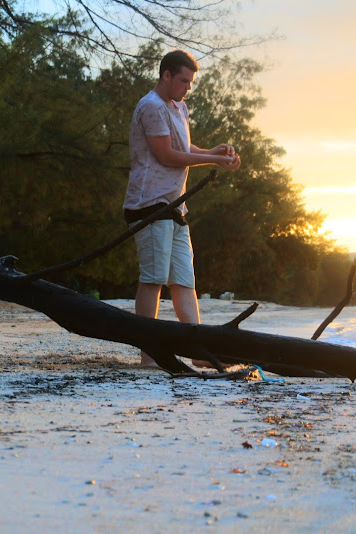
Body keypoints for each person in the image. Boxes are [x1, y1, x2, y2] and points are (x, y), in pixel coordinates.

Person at [123, 49, 241, 368]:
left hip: (176, 206)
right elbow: (166, 155)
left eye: (190, 82)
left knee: (184, 281)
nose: (187, 87)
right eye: (184, 81)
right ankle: (149, 354)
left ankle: (199, 352)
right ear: (167, 76)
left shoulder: (179, 107)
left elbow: (183, 147)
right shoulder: (150, 106)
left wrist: (212, 151)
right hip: (149, 204)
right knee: (153, 279)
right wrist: (213, 160)